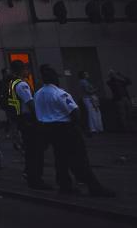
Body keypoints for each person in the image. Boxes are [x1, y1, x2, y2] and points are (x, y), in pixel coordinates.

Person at [35, 65, 113, 197]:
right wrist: (80, 127)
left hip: (49, 129)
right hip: (66, 128)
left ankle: (64, 185)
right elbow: (74, 111)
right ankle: (93, 186)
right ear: (54, 79)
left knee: (60, 159)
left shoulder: (38, 94)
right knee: (80, 158)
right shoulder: (60, 93)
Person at [8, 60, 47, 189]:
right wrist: (39, 117)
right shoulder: (22, 85)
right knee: (34, 149)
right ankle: (35, 177)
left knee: (31, 149)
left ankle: (31, 175)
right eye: (26, 69)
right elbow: (30, 102)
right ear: (22, 70)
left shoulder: (13, 83)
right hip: (28, 119)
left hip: (21, 118)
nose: (28, 71)